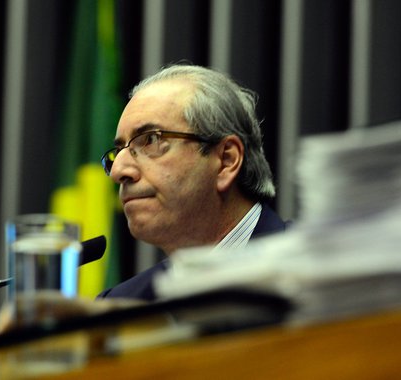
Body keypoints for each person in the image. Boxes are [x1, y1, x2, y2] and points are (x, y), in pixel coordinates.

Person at [97, 64, 288, 301]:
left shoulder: (322, 272)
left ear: (227, 160)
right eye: (118, 152)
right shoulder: (120, 304)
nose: (118, 171)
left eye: (151, 140)